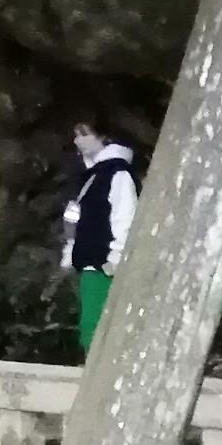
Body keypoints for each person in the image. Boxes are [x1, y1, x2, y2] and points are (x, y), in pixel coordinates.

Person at [58, 120, 139, 355]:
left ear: (104, 137)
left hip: (105, 263)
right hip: (91, 261)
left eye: (84, 134)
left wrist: (116, 257)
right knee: (90, 324)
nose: (77, 141)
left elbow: (125, 216)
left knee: (97, 325)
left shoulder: (118, 172)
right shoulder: (92, 174)